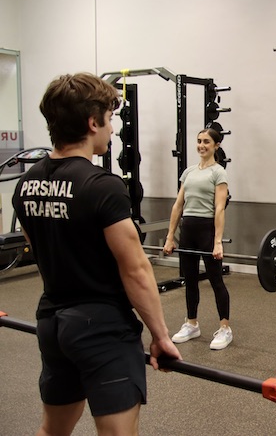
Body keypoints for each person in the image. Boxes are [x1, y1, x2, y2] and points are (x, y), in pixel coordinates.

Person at [11, 72, 181, 436]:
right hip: (102, 328)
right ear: (92, 122)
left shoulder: (26, 185)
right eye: (110, 119)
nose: (113, 128)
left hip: (52, 324)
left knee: (52, 430)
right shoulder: (103, 186)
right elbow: (135, 270)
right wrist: (161, 336)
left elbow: (40, 249)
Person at [164, 127, 232, 350]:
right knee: (190, 279)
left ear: (216, 145)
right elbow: (178, 205)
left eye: (206, 142)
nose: (201, 145)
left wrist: (218, 242)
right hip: (188, 230)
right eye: (199, 141)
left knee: (215, 280)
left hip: (207, 229)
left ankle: (225, 328)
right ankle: (191, 323)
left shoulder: (218, 173)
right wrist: (169, 237)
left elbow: (219, 208)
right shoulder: (189, 172)